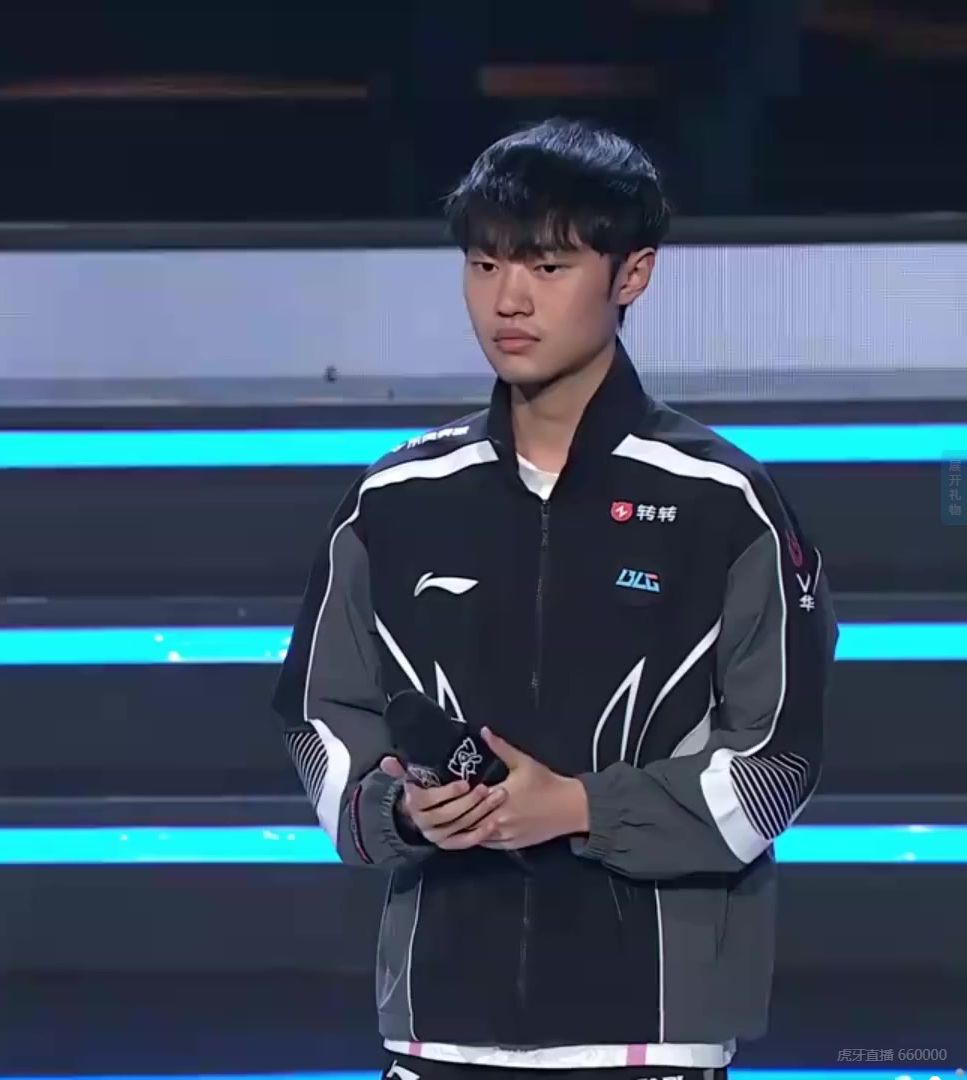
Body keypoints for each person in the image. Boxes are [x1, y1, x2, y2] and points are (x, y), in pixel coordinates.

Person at [272, 118, 836, 1077]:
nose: (509, 299)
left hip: (648, 1035)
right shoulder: (395, 500)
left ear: (633, 274)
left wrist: (577, 806)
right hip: (438, 1028)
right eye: (485, 265)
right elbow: (317, 719)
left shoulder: (722, 502)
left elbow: (777, 763)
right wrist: (401, 812)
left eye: (547, 265)